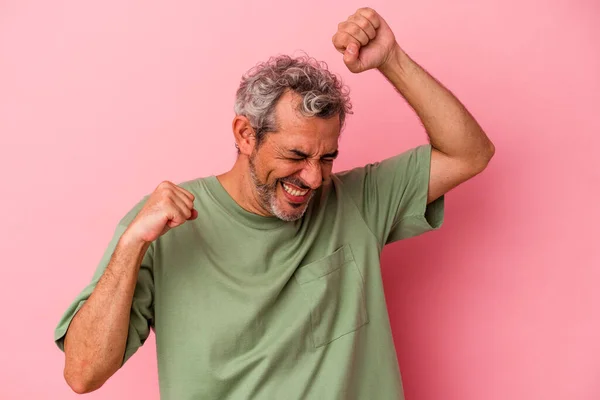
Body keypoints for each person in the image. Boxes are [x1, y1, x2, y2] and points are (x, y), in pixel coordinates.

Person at [54, 7, 494, 399]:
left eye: (327, 158)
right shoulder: (165, 226)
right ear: (246, 135)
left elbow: (469, 153)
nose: (314, 177)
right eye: (296, 156)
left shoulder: (356, 200)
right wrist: (131, 245)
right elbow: (83, 373)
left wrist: (391, 59)